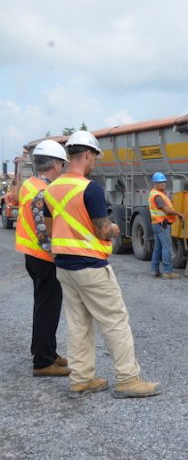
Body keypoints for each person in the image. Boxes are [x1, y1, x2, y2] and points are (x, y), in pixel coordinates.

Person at [44, 131, 160, 398]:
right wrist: (116, 228)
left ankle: (81, 378)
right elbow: (104, 231)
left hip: (64, 266)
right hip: (90, 265)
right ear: (87, 155)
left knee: (78, 324)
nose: (94, 161)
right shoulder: (89, 188)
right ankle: (128, 379)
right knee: (115, 320)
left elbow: (51, 230)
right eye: (94, 156)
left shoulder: (51, 190)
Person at [15, 140, 70, 377]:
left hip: (33, 256)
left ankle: (47, 351)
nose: (64, 169)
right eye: (63, 164)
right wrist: (56, 254)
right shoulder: (42, 191)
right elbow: (42, 229)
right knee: (48, 308)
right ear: (56, 164)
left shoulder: (30, 183)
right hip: (43, 257)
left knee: (44, 306)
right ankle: (43, 361)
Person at [148, 172, 183, 279]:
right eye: (160, 182)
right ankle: (167, 272)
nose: (163, 184)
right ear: (155, 183)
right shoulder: (157, 196)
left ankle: (154, 270)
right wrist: (178, 214)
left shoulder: (157, 193)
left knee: (158, 248)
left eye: (164, 182)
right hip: (162, 224)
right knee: (166, 248)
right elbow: (166, 210)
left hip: (157, 224)